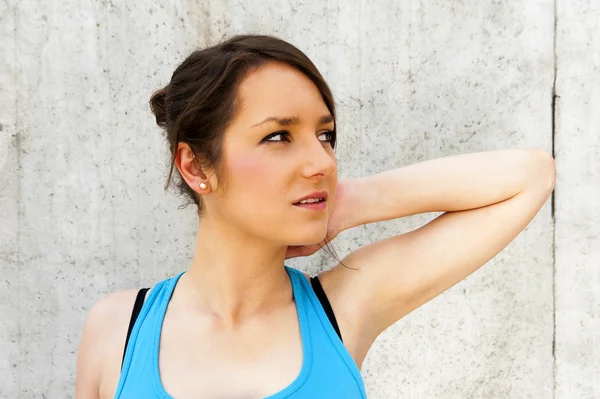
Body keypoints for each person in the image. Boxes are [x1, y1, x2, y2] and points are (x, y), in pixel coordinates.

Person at [75, 34, 556, 399]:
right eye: (279, 136)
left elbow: (530, 175)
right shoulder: (119, 329)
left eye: (325, 136)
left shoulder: (344, 308)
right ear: (196, 166)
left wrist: (350, 203)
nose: (323, 162)